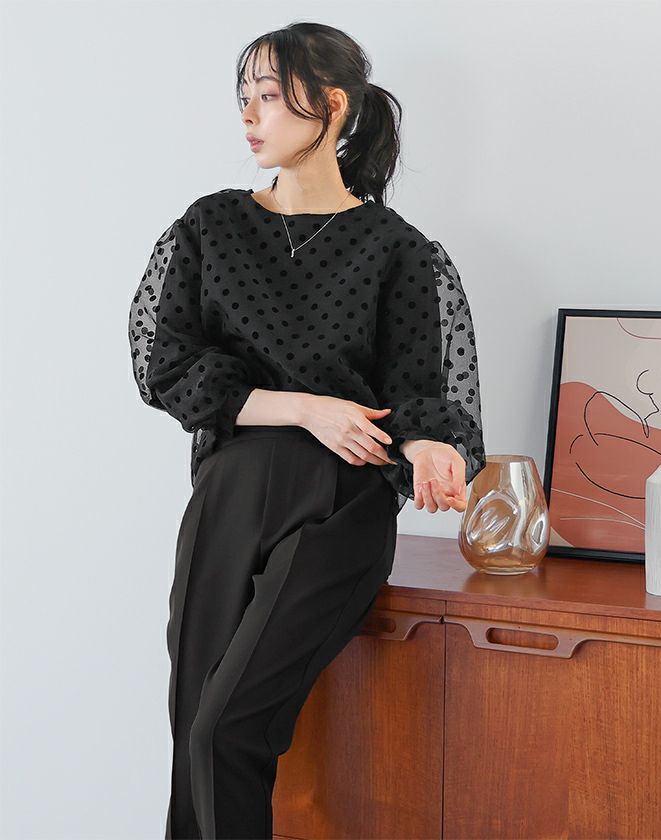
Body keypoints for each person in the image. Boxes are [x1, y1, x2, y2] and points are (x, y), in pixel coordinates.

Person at [128, 20, 486, 840]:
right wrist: (303, 407)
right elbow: (165, 363)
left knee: (227, 730)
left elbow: (419, 395)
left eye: (268, 97)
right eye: (243, 97)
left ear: (332, 106)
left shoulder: (397, 249)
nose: (249, 115)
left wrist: (433, 449)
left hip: (342, 501)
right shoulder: (212, 226)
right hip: (230, 495)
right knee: (192, 738)